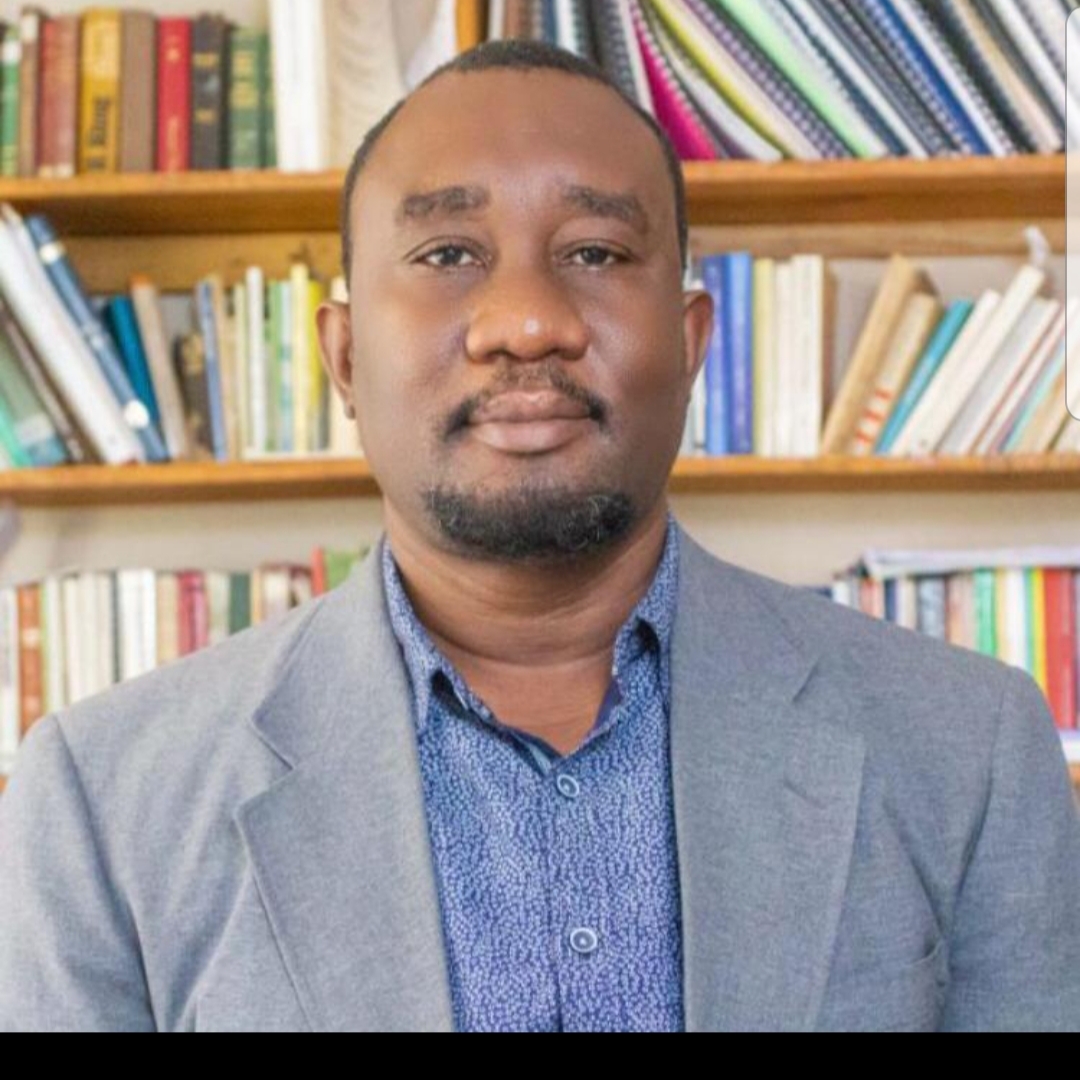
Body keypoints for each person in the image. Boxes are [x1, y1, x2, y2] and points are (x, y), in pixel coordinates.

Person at [1, 38, 1078, 1034]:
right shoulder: (104, 801)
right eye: (447, 253)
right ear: (344, 359)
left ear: (691, 344)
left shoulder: (968, 748)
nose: (527, 323)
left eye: (597, 251)